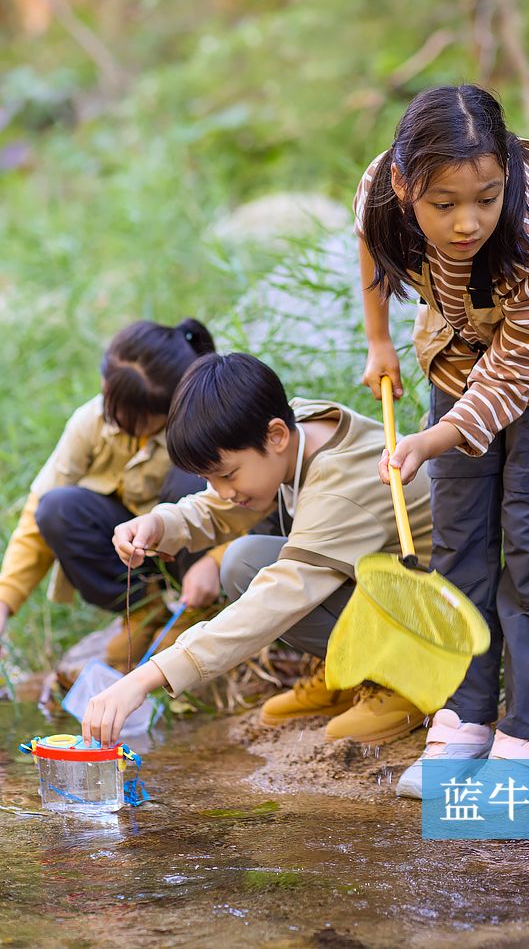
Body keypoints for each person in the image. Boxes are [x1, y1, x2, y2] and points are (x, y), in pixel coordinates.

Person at [356, 83, 529, 798]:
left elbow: (514, 376)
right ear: (405, 184)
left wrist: (431, 438)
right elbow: (371, 243)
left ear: (505, 170)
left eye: (486, 196)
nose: (467, 221)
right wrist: (379, 340)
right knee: (462, 535)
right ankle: (464, 715)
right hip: (461, 340)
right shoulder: (382, 187)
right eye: (444, 205)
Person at [82, 351, 434, 748]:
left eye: (227, 475)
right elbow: (218, 507)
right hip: (392, 592)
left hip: (435, 623)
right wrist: (160, 524)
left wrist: (150, 676)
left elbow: (278, 599)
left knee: (262, 577)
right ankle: (349, 673)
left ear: (277, 436)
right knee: (242, 562)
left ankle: (407, 678)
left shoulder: (342, 483)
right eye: (209, 478)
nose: (223, 490)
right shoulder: (292, 433)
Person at [0, 319, 222, 671]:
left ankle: (197, 609)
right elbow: (36, 514)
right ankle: (144, 610)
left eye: (127, 416)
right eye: (109, 401)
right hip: (135, 547)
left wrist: (217, 561)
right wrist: (4, 602)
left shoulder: (202, 428)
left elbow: (244, 508)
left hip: (191, 546)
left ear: (166, 411)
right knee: (56, 509)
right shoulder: (93, 420)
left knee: (189, 482)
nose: (112, 418)